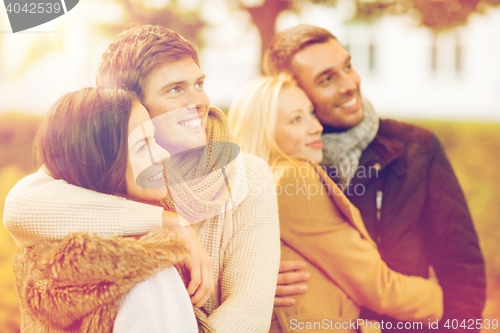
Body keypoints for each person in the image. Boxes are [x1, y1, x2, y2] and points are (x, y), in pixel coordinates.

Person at [4, 25, 280, 333]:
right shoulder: (99, 168)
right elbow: (19, 209)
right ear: (127, 104)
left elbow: (249, 310)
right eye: (176, 89)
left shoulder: (249, 175)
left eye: (199, 83)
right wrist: (168, 222)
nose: (199, 101)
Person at [262, 24, 485, 332]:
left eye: (348, 66)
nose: (349, 83)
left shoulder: (415, 149)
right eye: (327, 78)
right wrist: (256, 282)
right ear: (294, 89)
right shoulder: (277, 170)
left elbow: (461, 267)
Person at [228, 76, 443, 332]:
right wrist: (438, 298)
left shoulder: (251, 182)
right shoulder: (295, 177)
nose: (316, 126)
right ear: (264, 131)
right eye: (296, 119)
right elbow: (375, 285)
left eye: (310, 113)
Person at [14, 86, 204, 332]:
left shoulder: (41, 268)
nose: (163, 154)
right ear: (102, 165)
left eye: (153, 140)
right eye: (142, 147)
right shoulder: (147, 272)